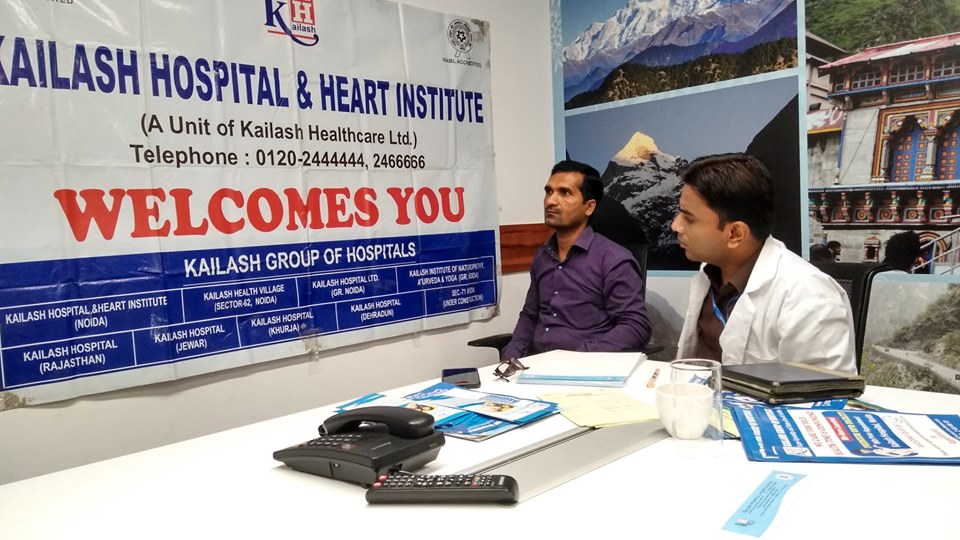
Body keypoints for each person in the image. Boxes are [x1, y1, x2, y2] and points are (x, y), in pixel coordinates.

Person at [671, 153, 856, 373]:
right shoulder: (709, 272)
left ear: (735, 233)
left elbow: (823, 389)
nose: (675, 226)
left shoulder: (809, 298)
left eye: (689, 218)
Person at [499, 160, 652, 361]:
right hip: (536, 366)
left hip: (585, 367)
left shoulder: (614, 260)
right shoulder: (542, 256)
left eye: (565, 193)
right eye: (549, 191)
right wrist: (510, 356)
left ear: (589, 207)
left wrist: (581, 357)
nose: (551, 201)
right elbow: (530, 315)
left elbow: (636, 326)